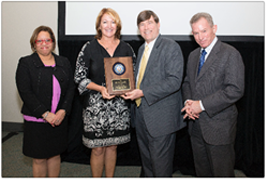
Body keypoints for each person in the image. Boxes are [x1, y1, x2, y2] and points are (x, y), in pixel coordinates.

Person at [122, 10, 185, 177]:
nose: (146, 27)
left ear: (158, 24)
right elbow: (142, 79)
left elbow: (174, 81)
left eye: (150, 23)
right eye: (142, 24)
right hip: (142, 115)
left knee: (161, 168)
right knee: (148, 164)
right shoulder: (142, 49)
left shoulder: (171, 46)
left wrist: (142, 92)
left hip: (161, 118)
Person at [181, 12, 245, 177]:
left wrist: (200, 105)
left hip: (219, 129)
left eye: (204, 31)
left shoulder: (230, 53)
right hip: (196, 128)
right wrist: (189, 103)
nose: (200, 37)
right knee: (202, 174)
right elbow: (188, 82)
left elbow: (235, 89)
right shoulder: (194, 55)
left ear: (214, 28)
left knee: (222, 174)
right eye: (195, 33)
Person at [74, 8, 135, 177]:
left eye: (113, 22)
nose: (109, 25)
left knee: (113, 146)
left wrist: (128, 89)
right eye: (105, 22)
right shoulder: (89, 47)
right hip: (95, 108)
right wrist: (100, 88)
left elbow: (133, 75)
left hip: (119, 107)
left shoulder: (126, 48)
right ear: (99, 26)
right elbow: (79, 77)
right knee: (98, 149)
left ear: (118, 25)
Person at [15, 26, 75, 177]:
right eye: (39, 40)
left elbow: (70, 88)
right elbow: (25, 92)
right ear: (34, 43)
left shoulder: (64, 61)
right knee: (40, 158)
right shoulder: (26, 63)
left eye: (47, 40)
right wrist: (45, 113)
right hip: (37, 120)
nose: (44, 43)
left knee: (55, 155)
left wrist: (63, 111)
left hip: (59, 119)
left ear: (53, 42)